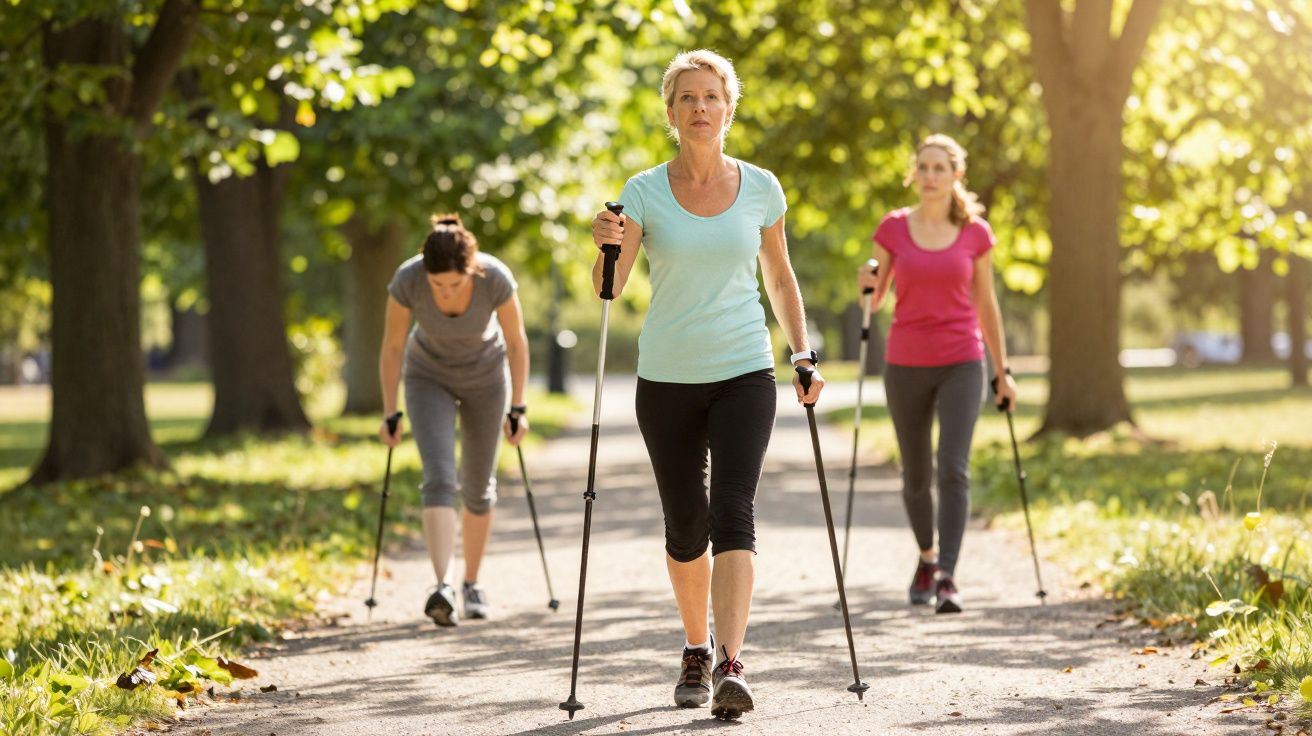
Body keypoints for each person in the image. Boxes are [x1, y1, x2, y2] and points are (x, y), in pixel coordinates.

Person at [590, 49, 823, 720]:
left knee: (733, 510)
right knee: (686, 521)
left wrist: (801, 353)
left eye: (711, 96)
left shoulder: (761, 188)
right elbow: (610, 287)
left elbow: (779, 276)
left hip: (745, 369)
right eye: (687, 97)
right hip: (666, 376)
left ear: (728, 108)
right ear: (671, 112)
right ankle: (695, 646)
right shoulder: (642, 191)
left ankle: (730, 663)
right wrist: (604, 245)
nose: (700, 107)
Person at [857, 133, 1017, 614]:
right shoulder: (894, 228)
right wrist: (866, 284)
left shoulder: (975, 234)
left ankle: (947, 574)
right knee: (915, 475)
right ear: (915, 174)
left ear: (955, 176)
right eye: (923, 167)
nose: (929, 176)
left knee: (952, 467)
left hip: (962, 361)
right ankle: (926, 557)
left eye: (939, 168)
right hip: (905, 363)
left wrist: (1002, 371)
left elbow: (986, 304)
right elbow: (875, 300)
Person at [378, 213, 529, 626]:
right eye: (437, 284)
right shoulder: (408, 279)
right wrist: (390, 411)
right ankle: (442, 586)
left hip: (486, 379)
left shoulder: (494, 277)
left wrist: (519, 407)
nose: (445, 292)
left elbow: (516, 342)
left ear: (471, 268)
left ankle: (472, 584)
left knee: (478, 487)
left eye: (455, 284)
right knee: (439, 477)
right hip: (428, 377)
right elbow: (392, 347)